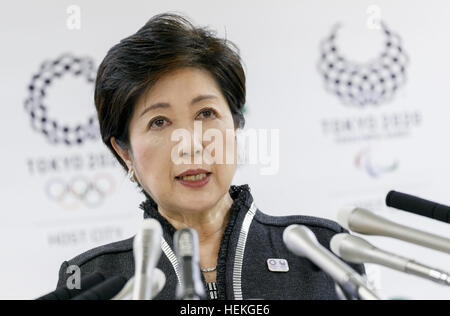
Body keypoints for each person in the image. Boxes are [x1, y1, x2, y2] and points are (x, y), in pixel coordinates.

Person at [56, 12, 365, 300]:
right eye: (159, 122)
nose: (190, 144)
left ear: (234, 126)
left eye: (206, 113)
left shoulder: (322, 251)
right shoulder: (91, 280)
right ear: (126, 153)